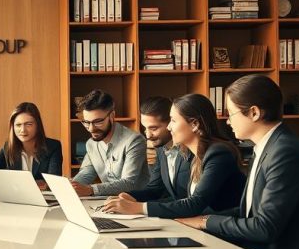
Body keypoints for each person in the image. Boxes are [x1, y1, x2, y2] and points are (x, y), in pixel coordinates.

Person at [176, 75, 299, 249]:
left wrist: (205, 222)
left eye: (231, 114)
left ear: (254, 113)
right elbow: (247, 211)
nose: (228, 121)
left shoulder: (285, 153)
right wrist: (200, 220)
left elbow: (264, 228)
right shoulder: (266, 147)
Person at [102, 93, 245, 218]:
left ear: (195, 124)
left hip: (224, 234)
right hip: (202, 227)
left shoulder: (218, 153)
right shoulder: (196, 154)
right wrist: (132, 199)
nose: (169, 127)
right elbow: (179, 198)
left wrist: (138, 207)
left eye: (173, 121)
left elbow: (194, 203)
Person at [70, 89, 149, 196]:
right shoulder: (91, 143)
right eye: (86, 122)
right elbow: (86, 173)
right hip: (108, 202)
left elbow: (129, 183)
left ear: (112, 116)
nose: (91, 129)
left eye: (98, 122)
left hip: (135, 201)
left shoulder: (134, 141)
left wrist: (91, 190)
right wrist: (72, 186)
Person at [0, 102, 62, 183]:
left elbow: (54, 180)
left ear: (38, 125)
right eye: (18, 125)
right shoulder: (8, 147)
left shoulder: (53, 146)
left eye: (29, 124)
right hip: (16, 197)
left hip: (43, 198)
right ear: (13, 127)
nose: (23, 130)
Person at [139, 96, 175, 173]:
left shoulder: (189, 151)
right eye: (145, 128)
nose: (148, 136)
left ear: (170, 123)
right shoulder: (160, 150)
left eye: (153, 129)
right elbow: (154, 184)